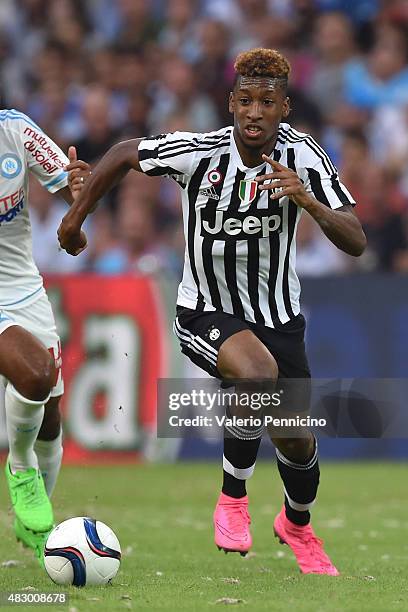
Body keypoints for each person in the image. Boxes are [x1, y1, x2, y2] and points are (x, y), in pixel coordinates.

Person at [58, 48, 366, 575]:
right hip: (203, 310)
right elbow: (124, 153)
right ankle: (233, 497)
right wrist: (74, 219)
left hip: (279, 318)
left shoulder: (306, 158)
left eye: (266, 102)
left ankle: (296, 525)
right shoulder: (198, 153)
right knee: (255, 371)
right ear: (229, 104)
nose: (254, 112)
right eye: (244, 100)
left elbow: (356, 241)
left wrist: (308, 202)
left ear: (284, 108)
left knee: (297, 439)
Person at [0, 108, 89, 564]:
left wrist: (79, 201)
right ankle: (18, 466)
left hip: (21, 288)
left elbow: (73, 228)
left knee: (50, 417)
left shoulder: (15, 130)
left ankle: (39, 531)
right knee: (35, 375)